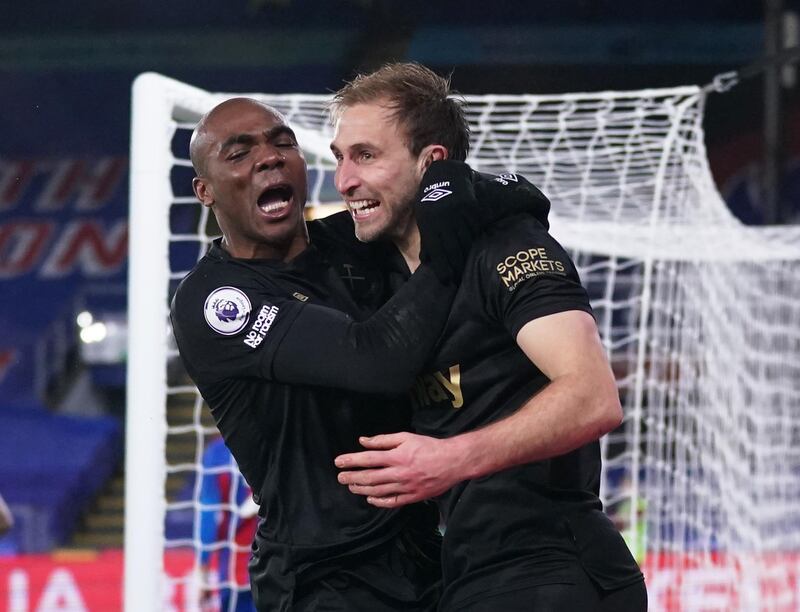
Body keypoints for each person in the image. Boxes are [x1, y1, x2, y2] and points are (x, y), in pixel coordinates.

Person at [170, 97, 534, 610]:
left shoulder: (354, 239)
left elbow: (488, 199)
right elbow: (374, 360)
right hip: (325, 578)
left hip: (426, 555)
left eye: (282, 143)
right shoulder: (216, 299)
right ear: (204, 191)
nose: (269, 158)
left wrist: (492, 193)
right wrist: (448, 251)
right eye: (239, 153)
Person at [329, 62, 647, 611]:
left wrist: (449, 459)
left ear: (431, 163)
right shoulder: (378, 270)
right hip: (467, 572)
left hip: (553, 567)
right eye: (339, 158)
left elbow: (594, 397)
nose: (344, 180)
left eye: (365, 155)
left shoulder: (507, 246)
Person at [197, 436, 257, 612]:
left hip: (237, 572)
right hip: (285, 567)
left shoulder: (218, 453)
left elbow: (208, 516)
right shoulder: (283, 441)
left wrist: (203, 571)